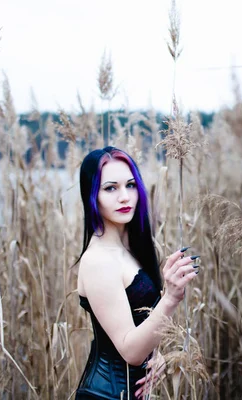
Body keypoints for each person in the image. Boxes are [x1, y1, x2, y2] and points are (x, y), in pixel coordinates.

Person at [74, 146, 199, 399]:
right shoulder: (99, 260)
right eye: (110, 188)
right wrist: (171, 297)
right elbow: (130, 351)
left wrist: (157, 356)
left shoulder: (128, 249)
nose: (124, 197)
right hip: (104, 395)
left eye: (130, 185)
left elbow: (134, 325)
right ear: (92, 196)